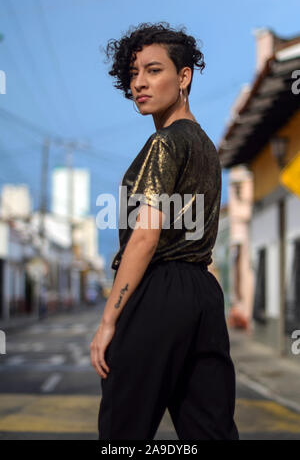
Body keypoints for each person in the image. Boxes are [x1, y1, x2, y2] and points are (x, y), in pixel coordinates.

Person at [90, 22, 239, 441]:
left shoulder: (166, 144)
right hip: (204, 296)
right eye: (133, 73)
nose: (140, 82)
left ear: (184, 76)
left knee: (124, 430)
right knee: (210, 429)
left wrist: (108, 322)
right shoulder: (206, 146)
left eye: (154, 70)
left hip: (159, 291)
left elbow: (145, 236)